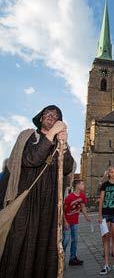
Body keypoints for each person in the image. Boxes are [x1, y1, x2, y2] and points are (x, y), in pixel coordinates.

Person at [0, 105, 74, 278]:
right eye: (47, 113)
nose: (51, 116)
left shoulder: (59, 145)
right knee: (19, 249)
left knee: (44, 254)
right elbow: (30, 159)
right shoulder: (28, 136)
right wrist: (50, 135)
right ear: (40, 118)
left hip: (48, 210)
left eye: (55, 115)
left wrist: (63, 146)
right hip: (26, 205)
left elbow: (67, 169)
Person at [63, 179, 91, 266]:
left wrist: (86, 216)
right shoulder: (69, 197)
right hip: (67, 221)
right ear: (77, 186)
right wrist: (65, 222)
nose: (83, 186)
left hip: (75, 222)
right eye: (82, 184)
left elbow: (83, 207)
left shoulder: (82, 196)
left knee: (75, 240)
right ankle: (61, 257)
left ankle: (72, 258)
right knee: (66, 240)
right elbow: (62, 211)